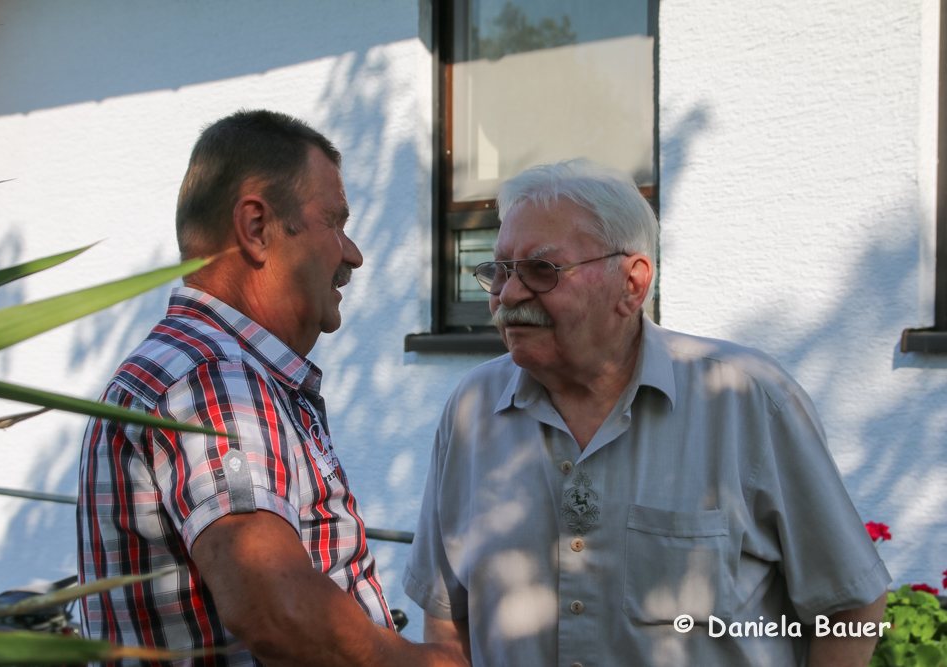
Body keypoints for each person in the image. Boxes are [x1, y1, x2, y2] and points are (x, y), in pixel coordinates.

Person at [403, 159, 890, 666]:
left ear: (632, 284)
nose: (509, 294)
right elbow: (447, 612)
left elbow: (850, 604)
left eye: (542, 271)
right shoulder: (473, 408)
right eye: (500, 271)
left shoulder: (745, 400)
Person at [77, 110, 467, 667]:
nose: (352, 253)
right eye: (334, 222)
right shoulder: (213, 376)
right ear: (257, 228)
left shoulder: (208, 367)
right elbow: (277, 610)